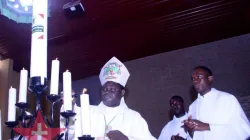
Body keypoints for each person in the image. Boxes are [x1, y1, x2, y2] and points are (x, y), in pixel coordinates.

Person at [60, 56, 156, 140]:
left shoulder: (134, 118)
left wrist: (127, 139)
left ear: (122, 93)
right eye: (104, 89)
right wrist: (69, 106)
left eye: (112, 89)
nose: (107, 92)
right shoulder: (87, 112)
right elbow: (67, 134)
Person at [183, 66, 250, 140]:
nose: (195, 81)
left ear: (210, 79)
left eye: (199, 77)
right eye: (193, 79)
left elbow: (242, 130)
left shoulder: (227, 99)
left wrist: (207, 126)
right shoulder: (192, 107)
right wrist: (191, 131)